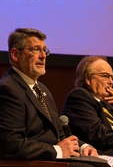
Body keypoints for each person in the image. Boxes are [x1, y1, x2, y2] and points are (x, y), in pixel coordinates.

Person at [0, 28, 98, 166]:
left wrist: (82, 147)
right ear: (15, 54)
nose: (43, 56)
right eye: (35, 50)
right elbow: (11, 145)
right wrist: (57, 150)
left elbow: (59, 135)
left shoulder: (42, 89)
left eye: (44, 50)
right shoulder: (7, 89)